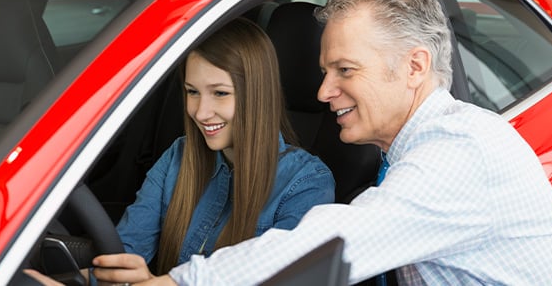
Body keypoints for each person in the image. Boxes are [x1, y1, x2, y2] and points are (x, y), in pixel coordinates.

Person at [91, 0, 552, 285]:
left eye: (345, 70)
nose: (324, 90)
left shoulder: (455, 151)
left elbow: (331, 242)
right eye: (324, 70)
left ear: (414, 66)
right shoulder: (408, 151)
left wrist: (180, 282)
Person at [25, 17, 336, 284]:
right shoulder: (179, 155)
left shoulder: (306, 184)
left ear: (256, 95)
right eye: (192, 92)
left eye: (220, 93)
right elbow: (127, 251)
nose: (201, 112)